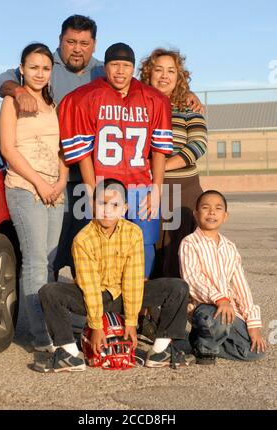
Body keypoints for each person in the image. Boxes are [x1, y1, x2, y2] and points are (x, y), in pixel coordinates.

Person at [35, 179, 190, 373]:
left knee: (178, 287)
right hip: (93, 297)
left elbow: (133, 280)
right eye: (102, 204)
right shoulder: (82, 238)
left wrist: (132, 323)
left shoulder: (133, 232)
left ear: (124, 208)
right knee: (49, 292)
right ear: (92, 206)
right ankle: (69, 354)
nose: (107, 210)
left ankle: (160, 351)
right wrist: (96, 326)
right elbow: (89, 286)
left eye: (114, 205)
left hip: (124, 296)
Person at [0, 14, 104, 276]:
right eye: (71, 41)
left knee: (86, 255)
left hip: (87, 178)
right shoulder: (43, 64)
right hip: (50, 181)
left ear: (94, 45)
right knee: (45, 258)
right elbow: (0, 81)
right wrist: (17, 91)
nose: (77, 48)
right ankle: (42, 313)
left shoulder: (102, 71)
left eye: (84, 43)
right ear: (60, 41)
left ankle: (81, 314)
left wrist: (183, 93)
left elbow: (137, 91)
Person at [59, 43, 174, 280]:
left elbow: (159, 151)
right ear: (106, 67)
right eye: (114, 65)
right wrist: (92, 191)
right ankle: (107, 306)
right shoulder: (85, 98)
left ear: (133, 68)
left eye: (126, 65)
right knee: (103, 247)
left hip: (140, 186)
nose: (120, 71)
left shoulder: (154, 99)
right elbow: (82, 154)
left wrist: (157, 188)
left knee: (144, 245)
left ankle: (139, 304)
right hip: (104, 185)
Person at [0, 43, 68, 351]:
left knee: (51, 264)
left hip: (56, 191)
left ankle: (52, 328)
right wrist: (40, 183)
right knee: (36, 261)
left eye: (45, 68)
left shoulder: (54, 104)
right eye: (34, 67)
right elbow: (8, 150)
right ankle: (41, 338)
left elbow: (63, 151)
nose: (39, 73)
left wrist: (61, 182)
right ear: (22, 69)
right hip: (26, 189)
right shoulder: (12, 101)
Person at [139, 48, 207, 278]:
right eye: (158, 70)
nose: (164, 76)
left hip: (184, 189)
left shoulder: (188, 106)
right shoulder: (137, 105)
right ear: (148, 73)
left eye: (171, 71)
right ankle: (145, 306)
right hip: (146, 188)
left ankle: (177, 306)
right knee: (148, 249)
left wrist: (161, 167)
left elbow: (198, 145)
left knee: (178, 252)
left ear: (179, 77)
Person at [179, 190, 266, 364]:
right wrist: (220, 299)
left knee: (255, 352)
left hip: (230, 310)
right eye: (206, 208)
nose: (212, 212)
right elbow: (192, 278)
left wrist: (253, 324)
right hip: (204, 308)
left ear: (225, 216)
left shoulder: (230, 247)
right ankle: (205, 348)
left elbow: (241, 286)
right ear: (196, 214)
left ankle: (202, 343)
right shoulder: (189, 242)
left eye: (218, 208)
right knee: (216, 321)